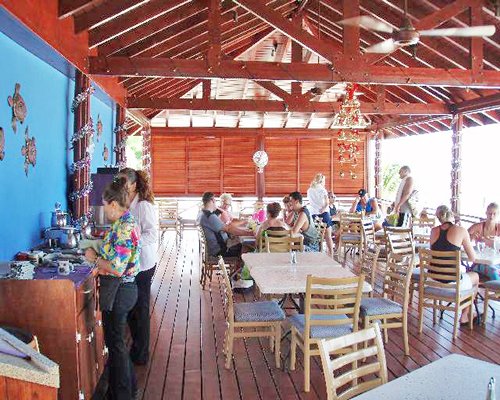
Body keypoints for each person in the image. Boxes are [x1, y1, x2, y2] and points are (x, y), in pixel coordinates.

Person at [84, 177, 140, 400]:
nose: (104, 209)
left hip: (121, 290)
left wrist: (94, 258)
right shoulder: (122, 223)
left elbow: (117, 268)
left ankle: (122, 395)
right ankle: (127, 388)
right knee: (117, 345)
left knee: (116, 345)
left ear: (114, 205)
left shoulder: (125, 227)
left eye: (105, 205)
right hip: (122, 290)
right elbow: (115, 252)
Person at [118, 168, 158, 366]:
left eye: (123, 181)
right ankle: (137, 348)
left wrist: (131, 241)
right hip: (134, 263)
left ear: (134, 185)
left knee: (140, 309)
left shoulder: (143, 206)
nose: (119, 184)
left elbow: (152, 234)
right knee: (134, 307)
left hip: (143, 263)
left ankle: (141, 353)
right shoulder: (127, 203)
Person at [430, 205, 478, 324]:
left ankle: (468, 311)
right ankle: (465, 314)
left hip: (433, 281)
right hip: (451, 283)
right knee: (475, 277)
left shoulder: (433, 231)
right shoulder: (461, 230)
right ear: (452, 215)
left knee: (464, 278)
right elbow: (472, 258)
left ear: (438, 217)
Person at [199, 191, 250, 258]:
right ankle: (241, 268)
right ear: (213, 200)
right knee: (246, 247)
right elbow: (228, 228)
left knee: (240, 242)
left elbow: (227, 227)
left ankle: (238, 266)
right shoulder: (210, 216)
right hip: (220, 251)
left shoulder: (202, 214)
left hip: (213, 248)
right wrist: (249, 233)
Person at [468, 202, 500, 280]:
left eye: (494, 214)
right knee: (493, 272)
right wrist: (471, 237)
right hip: (480, 263)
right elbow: (463, 237)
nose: (491, 216)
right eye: (489, 213)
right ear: (486, 213)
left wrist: (487, 241)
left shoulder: (499, 228)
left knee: (494, 270)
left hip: (497, 262)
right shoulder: (478, 226)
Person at [306, 173, 334, 256]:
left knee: (316, 236)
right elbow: (327, 202)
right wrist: (323, 208)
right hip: (324, 213)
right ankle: (331, 253)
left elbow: (310, 202)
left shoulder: (310, 190)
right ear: (322, 180)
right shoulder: (322, 190)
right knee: (328, 235)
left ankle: (318, 253)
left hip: (314, 214)